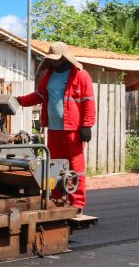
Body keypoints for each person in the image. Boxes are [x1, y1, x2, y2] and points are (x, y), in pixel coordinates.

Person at [16, 41, 95, 209]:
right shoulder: (49, 76)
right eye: (52, 59)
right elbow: (39, 95)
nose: (54, 62)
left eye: (57, 59)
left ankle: (77, 202)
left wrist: (87, 125)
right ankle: (57, 197)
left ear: (65, 58)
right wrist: (19, 101)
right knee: (55, 164)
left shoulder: (81, 75)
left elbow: (88, 102)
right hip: (54, 128)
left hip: (72, 130)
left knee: (76, 166)